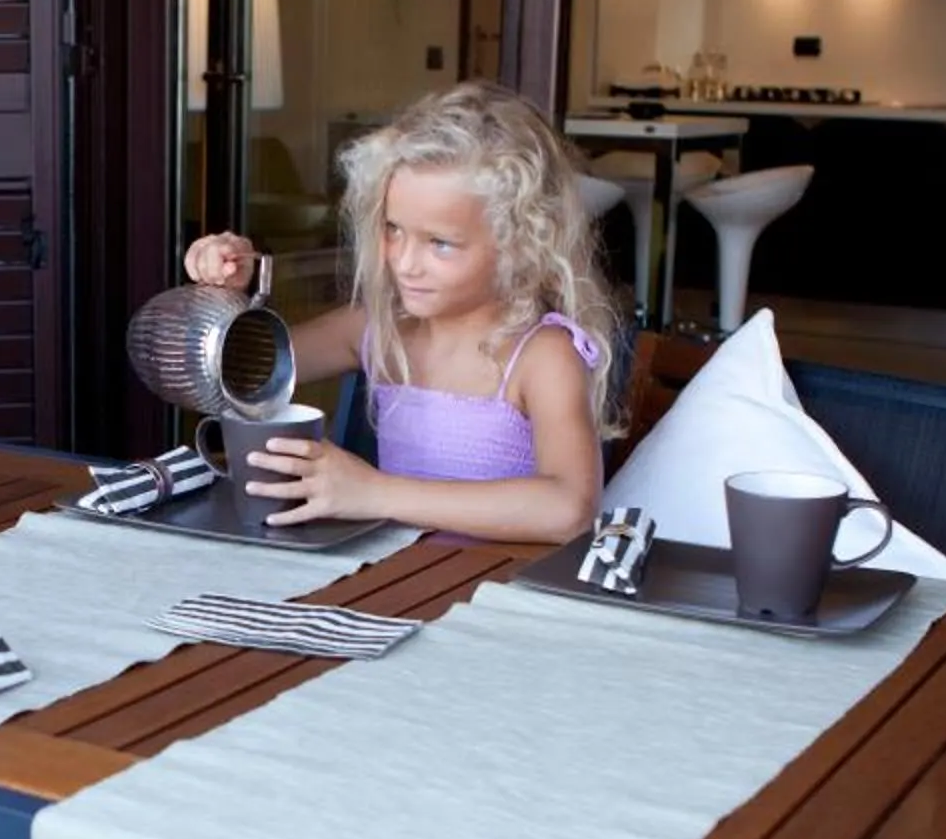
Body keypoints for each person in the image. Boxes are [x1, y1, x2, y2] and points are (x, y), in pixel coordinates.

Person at [178, 82, 621, 544]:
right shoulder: (379, 330)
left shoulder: (543, 356)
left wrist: (375, 493)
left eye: (440, 243)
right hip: (397, 575)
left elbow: (570, 508)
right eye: (394, 230)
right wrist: (228, 294)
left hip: (497, 586)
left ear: (521, 246)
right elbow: (232, 372)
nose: (405, 262)